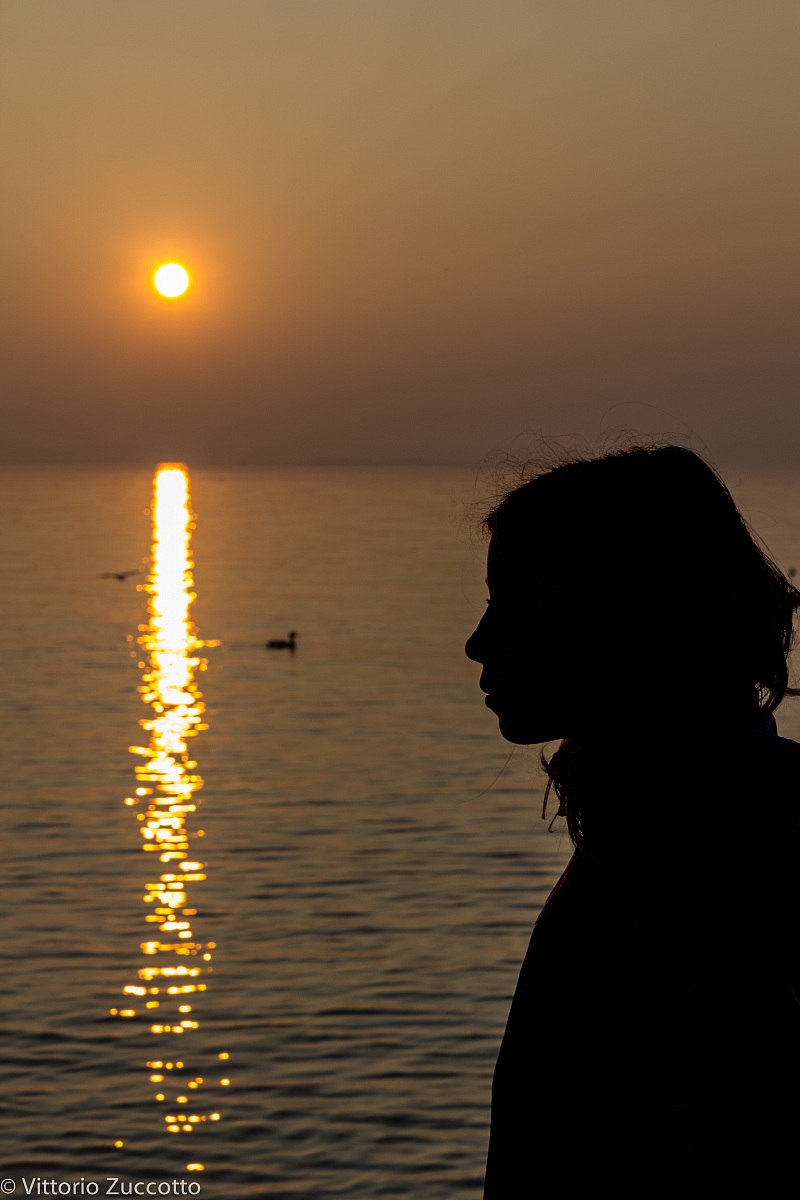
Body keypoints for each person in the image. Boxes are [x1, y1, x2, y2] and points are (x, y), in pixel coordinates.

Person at [464, 445, 800, 1193]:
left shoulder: (690, 871)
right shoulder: (678, 829)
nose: (479, 643)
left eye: (516, 604)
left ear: (625, 618)